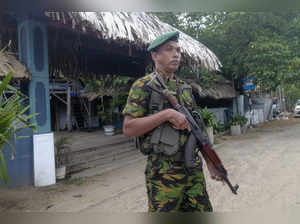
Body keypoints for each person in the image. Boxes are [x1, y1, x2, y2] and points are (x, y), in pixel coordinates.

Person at [122, 31, 221, 212]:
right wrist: (166, 114)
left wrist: (210, 161)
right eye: (169, 50)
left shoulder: (185, 88)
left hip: (192, 169)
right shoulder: (143, 86)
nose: (176, 54)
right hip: (163, 173)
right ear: (155, 55)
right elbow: (128, 128)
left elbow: (197, 130)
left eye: (178, 50)